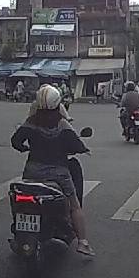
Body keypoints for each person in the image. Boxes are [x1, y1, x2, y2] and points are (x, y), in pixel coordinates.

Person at [11, 84, 94, 256]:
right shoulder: (62, 124)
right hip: (58, 174)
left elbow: (15, 141)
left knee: (19, 199)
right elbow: (76, 144)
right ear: (58, 103)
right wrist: (83, 149)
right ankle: (83, 242)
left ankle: (19, 233)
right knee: (74, 206)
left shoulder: (31, 122)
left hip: (32, 172)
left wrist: (25, 148)